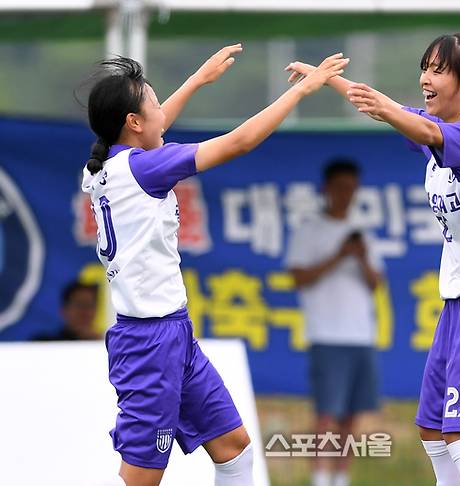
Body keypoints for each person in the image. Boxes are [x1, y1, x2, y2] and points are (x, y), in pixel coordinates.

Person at [81, 45, 348, 486]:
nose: (161, 111)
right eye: (152, 101)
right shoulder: (149, 167)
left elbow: (151, 123)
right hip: (148, 345)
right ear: (132, 121)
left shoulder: (100, 167)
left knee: (233, 448)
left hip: (171, 333)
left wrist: (197, 80)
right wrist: (303, 92)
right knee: (141, 478)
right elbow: (239, 142)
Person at [288, 32, 460, 485]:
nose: (425, 79)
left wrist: (388, 109)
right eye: (424, 68)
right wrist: (327, 81)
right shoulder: (443, 135)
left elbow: (416, 123)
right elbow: (405, 118)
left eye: (438, 70)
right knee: (433, 428)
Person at [285, 158, 383, 486]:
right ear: (326, 189)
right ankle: (319, 477)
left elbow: (375, 283)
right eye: (340, 188)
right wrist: (339, 255)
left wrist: (360, 255)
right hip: (327, 334)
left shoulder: (363, 233)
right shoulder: (309, 229)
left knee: (352, 415)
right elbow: (299, 276)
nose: (346, 195)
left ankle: (341, 478)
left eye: (351, 190)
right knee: (327, 412)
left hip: (361, 336)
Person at [33, 280, 100, 340]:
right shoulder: (43, 344)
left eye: (89, 305)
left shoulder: (103, 345)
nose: (84, 312)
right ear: (64, 310)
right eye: (79, 304)